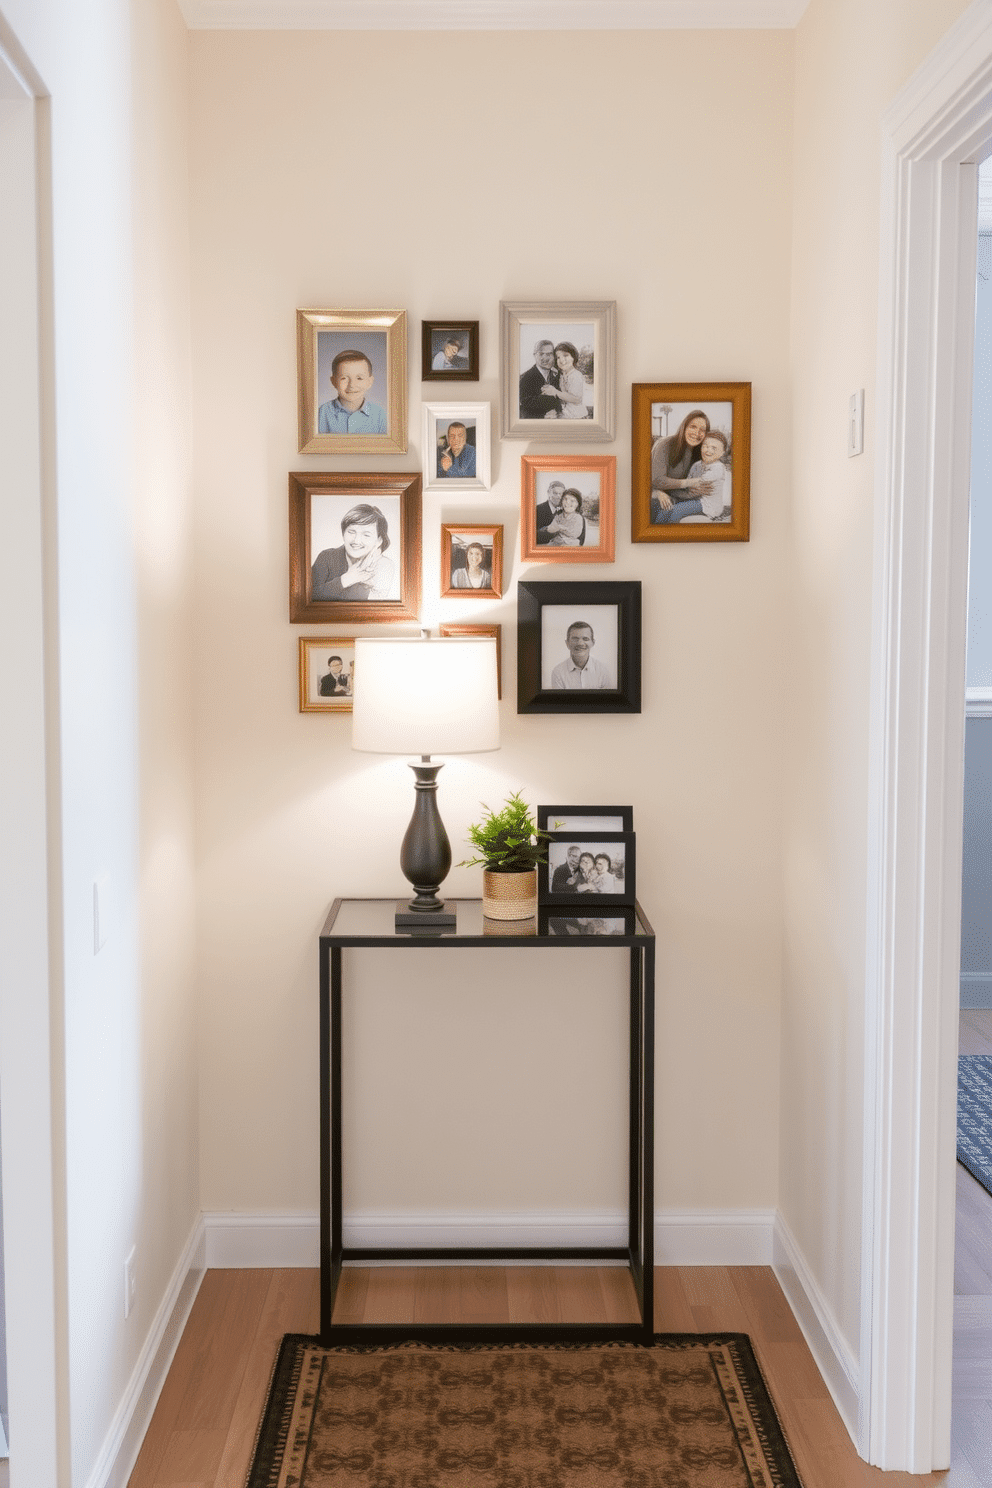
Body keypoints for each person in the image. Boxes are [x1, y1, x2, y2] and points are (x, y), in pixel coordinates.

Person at [311, 503, 394, 601]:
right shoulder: (326, 557)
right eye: (351, 532)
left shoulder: (383, 565)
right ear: (343, 533)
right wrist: (345, 580)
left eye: (366, 535)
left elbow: (367, 609)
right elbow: (307, 597)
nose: (356, 541)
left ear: (379, 540)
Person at [649, 409, 719, 524]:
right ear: (684, 427)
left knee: (671, 509)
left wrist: (691, 491)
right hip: (651, 492)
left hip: (676, 497)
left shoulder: (701, 454)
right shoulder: (665, 444)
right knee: (660, 505)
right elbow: (657, 480)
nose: (697, 433)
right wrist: (657, 492)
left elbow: (689, 492)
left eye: (702, 430)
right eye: (693, 427)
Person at [318, 350, 387, 435]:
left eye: (359, 378)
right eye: (344, 378)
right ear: (333, 381)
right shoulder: (321, 413)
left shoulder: (380, 415)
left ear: (370, 382)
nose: (352, 385)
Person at [550, 620, 611, 689]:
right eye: (575, 639)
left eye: (585, 639)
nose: (580, 643)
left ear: (593, 642)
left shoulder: (603, 671)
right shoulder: (558, 673)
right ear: (567, 643)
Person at [687, 430, 731, 520]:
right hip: (693, 501)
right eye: (705, 446)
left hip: (708, 506)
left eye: (714, 448)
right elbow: (688, 484)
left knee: (675, 511)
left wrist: (690, 486)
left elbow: (696, 483)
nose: (708, 450)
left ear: (722, 452)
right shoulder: (697, 465)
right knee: (663, 508)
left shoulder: (718, 467)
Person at [519, 339, 561, 419]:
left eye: (549, 354)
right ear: (534, 355)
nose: (545, 358)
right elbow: (525, 405)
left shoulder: (557, 375)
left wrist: (555, 411)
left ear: (553, 356)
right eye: (541, 354)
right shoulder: (525, 378)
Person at [553, 341, 588, 419]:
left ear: (573, 357)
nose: (562, 360)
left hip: (578, 416)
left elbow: (576, 399)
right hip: (567, 415)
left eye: (566, 355)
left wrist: (555, 392)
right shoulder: (562, 375)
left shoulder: (576, 375)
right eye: (558, 357)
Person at [535, 480, 566, 545]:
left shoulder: (565, 511)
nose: (558, 496)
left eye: (561, 494)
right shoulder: (537, 509)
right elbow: (531, 536)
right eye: (555, 493)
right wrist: (549, 531)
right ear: (548, 493)